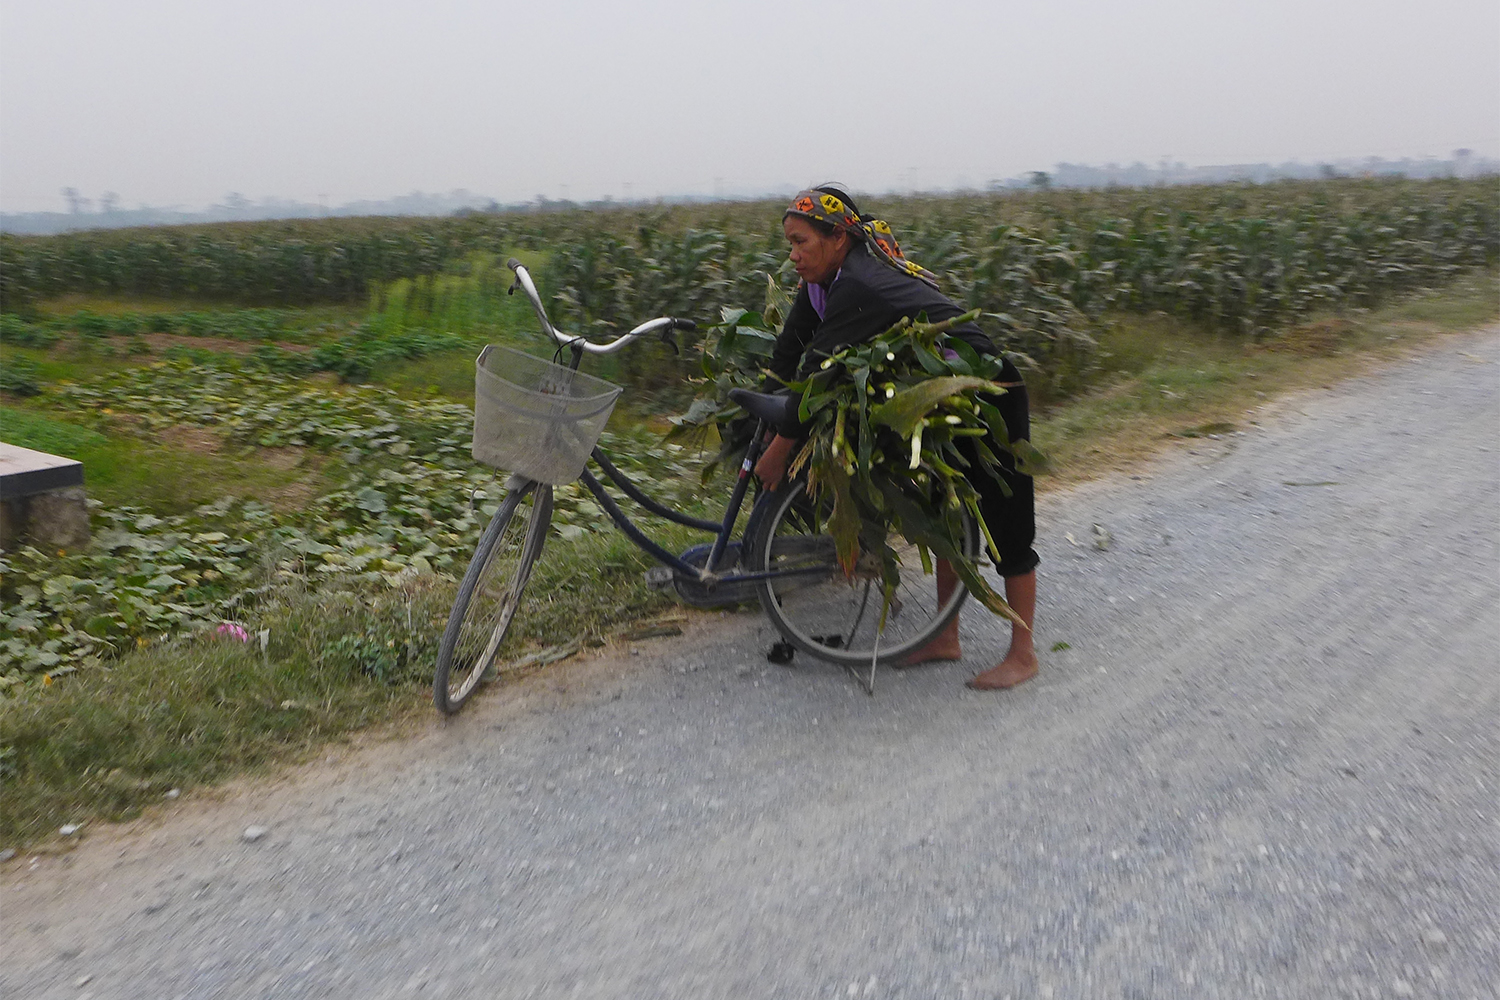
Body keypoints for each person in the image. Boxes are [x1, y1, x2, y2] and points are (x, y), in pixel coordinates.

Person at [753, 185, 1039, 689]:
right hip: (930, 396)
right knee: (943, 511)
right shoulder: (822, 282)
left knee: (1005, 520)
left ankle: (1024, 653)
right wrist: (765, 410)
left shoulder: (860, 284)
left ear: (838, 238)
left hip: (984, 389)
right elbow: (790, 351)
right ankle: (945, 638)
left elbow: (818, 375)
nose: (793, 256)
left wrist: (779, 451)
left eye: (801, 243)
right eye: (789, 245)